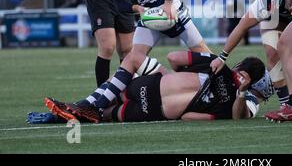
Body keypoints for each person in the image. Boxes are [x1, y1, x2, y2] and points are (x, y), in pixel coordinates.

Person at [49, 0, 211, 121]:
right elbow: (119, 4)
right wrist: (137, 8)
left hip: (173, 11)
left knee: (206, 56)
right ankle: (92, 105)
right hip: (149, 17)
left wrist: (167, 2)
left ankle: (228, 87)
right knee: (132, 58)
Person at [45, 51, 273, 122]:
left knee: (133, 59)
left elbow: (174, 57)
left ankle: (86, 105)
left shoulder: (217, 64)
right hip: (154, 111)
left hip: (151, 84)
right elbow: (187, 118)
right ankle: (81, 111)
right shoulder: (233, 106)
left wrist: (182, 74)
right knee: (104, 116)